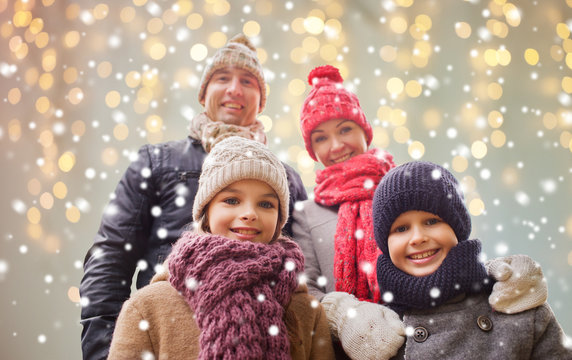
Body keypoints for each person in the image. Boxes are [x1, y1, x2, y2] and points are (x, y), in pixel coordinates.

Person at [291, 65, 549, 359]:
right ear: (311, 149)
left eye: (345, 129)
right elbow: (305, 290)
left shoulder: (404, 185)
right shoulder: (307, 213)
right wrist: (346, 315)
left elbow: (452, 247)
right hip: (351, 348)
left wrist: (500, 277)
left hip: (421, 324)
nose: (336, 145)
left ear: (364, 130)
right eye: (321, 138)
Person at [79, 35, 307, 360]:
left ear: (261, 101)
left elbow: (304, 270)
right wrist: (108, 351)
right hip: (170, 337)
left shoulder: (286, 178)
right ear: (203, 94)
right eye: (222, 78)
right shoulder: (157, 162)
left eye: (247, 81)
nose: (234, 89)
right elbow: (110, 257)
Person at [107, 136, 334, 359]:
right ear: (207, 212)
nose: (250, 213)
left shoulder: (306, 311)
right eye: (232, 200)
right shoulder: (148, 308)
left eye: (266, 204)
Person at [371, 161, 571, 359]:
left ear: (457, 228)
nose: (417, 238)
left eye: (432, 221)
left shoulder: (515, 303)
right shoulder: (378, 331)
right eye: (401, 229)